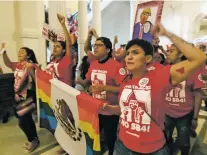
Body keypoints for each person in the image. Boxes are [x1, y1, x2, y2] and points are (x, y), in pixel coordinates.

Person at [101, 23, 206, 155]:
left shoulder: (161, 76)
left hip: (152, 149)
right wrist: (108, 108)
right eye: (127, 53)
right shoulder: (126, 80)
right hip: (122, 145)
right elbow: (125, 109)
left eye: (135, 52)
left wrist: (168, 34)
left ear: (148, 59)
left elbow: (199, 58)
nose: (129, 56)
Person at [77, 37, 127, 155]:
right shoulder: (93, 64)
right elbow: (88, 83)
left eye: (99, 45)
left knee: (110, 139)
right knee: (93, 137)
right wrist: (86, 86)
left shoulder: (116, 66)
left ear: (108, 49)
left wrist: (105, 88)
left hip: (110, 110)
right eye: (95, 45)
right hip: (94, 109)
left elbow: (125, 88)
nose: (95, 47)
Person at [164, 44, 203, 155]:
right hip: (167, 113)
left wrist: (195, 117)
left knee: (184, 143)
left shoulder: (193, 70)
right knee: (165, 140)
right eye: (167, 50)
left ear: (181, 54)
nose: (168, 53)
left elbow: (198, 94)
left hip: (185, 114)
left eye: (171, 51)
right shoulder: (165, 70)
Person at [44, 14, 72, 155]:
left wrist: (63, 25)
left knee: (66, 123)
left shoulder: (66, 60)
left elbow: (69, 43)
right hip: (53, 95)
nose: (54, 48)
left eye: (57, 46)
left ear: (63, 50)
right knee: (59, 123)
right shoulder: (52, 63)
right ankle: (64, 144)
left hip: (64, 97)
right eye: (53, 46)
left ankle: (68, 147)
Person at [2, 46, 39, 153]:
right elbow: (8, 63)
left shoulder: (32, 65)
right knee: (27, 119)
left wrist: (30, 69)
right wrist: (4, 52)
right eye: (19, 52)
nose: (19, 53)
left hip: (28, 96)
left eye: (22, 52)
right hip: (18, 96)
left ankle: (33, 140)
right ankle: (34, 139)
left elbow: (37, 81)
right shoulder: (18, 65)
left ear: (28, 55)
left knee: (22, 122)